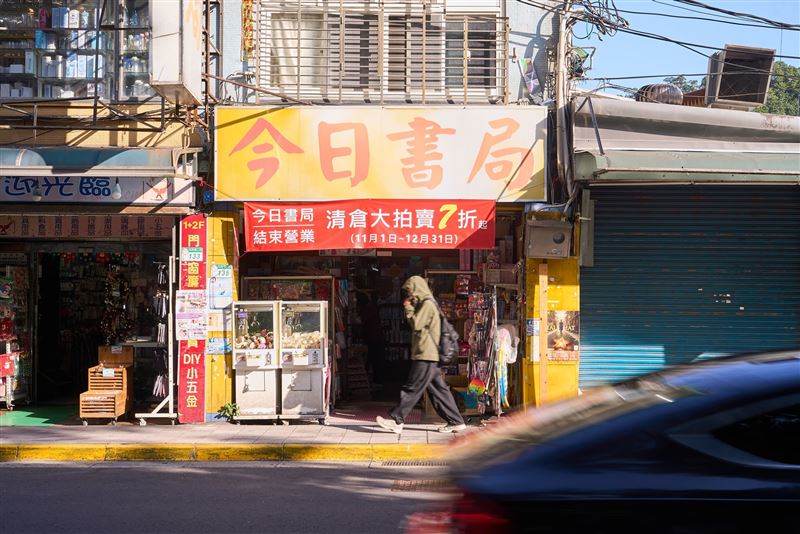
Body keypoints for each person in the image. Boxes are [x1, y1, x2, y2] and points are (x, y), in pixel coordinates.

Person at [376, 275, 467, 434]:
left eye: (410, 291)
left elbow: (416, 324)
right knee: (439, 391)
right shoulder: (427, 303)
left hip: (426, 355)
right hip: (428, 355)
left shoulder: (427, 304)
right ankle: (456, 421)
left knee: (412, 388)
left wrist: (408, 307)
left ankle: (397, 420)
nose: (409, 295)